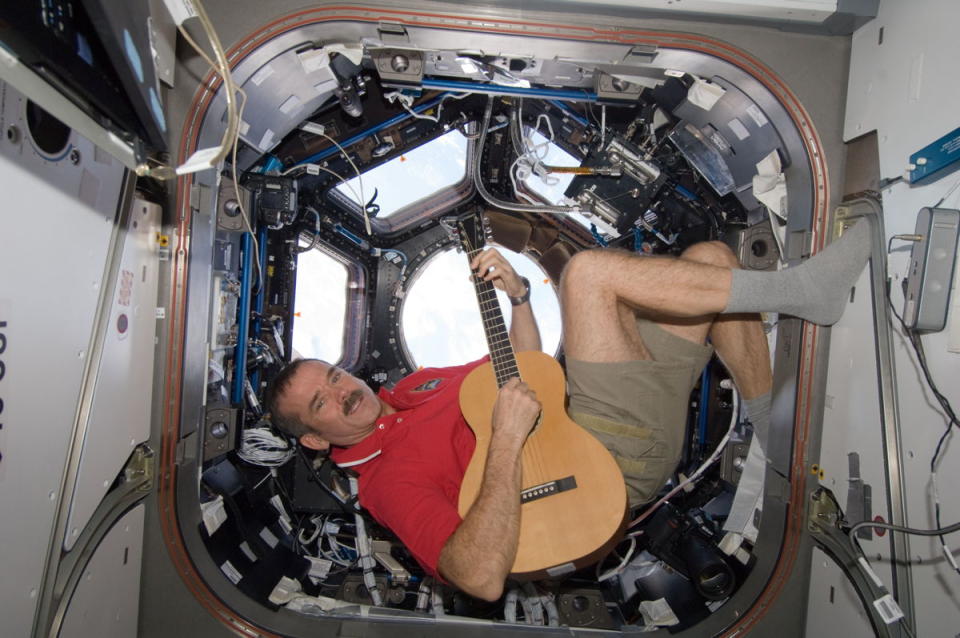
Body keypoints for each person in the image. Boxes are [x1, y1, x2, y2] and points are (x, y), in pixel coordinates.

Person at [264, 219, 872, 601]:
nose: (344, 390)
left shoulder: (417, 385)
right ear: (316, 441)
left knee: (711, 259)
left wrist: (520, 296)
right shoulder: (384, 483)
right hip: (590, 470)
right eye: (323, 401)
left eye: (336, 374)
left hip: (601, 423)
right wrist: (504, 441)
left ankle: (772, 432)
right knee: (584, 275)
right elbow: (475, 576)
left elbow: (520, 371)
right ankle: (804, 294)